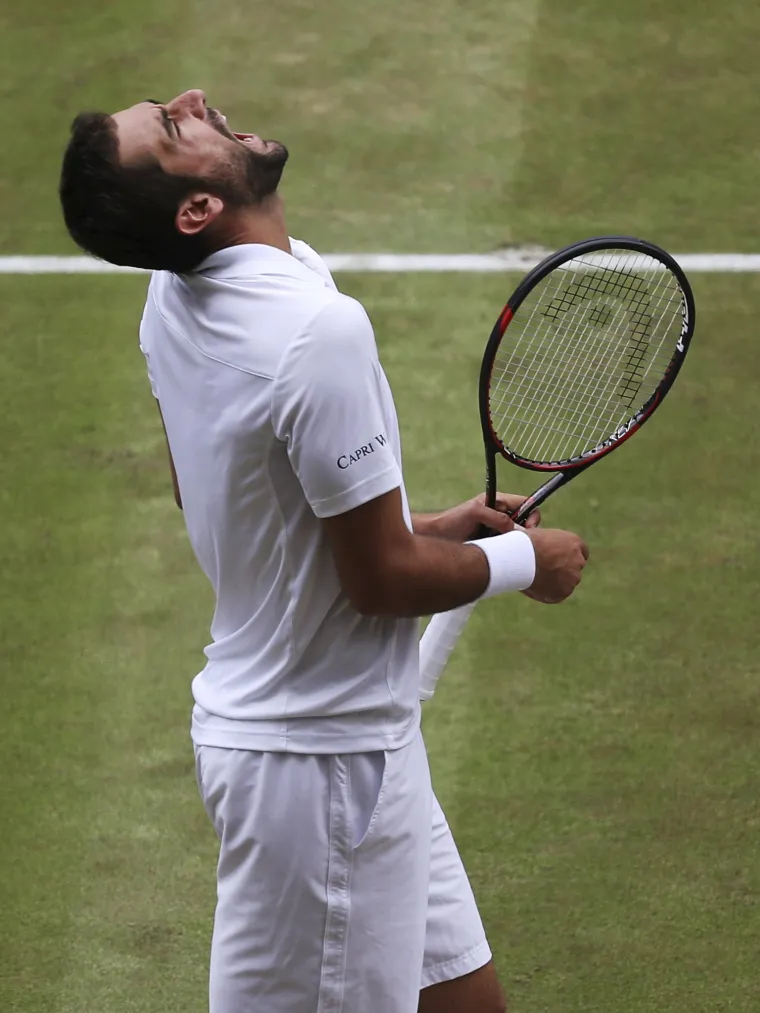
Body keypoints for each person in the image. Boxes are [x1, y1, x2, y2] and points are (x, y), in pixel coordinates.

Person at [58, 89, 589, 1013]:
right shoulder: (315, 331)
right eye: (175, 129)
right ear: (196, 211)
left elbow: (241, 506)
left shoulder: (180, 295)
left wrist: (422, 528)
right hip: (319, 775)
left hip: (351, 749)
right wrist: (525, 565)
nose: (192, 100)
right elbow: (380, 581)